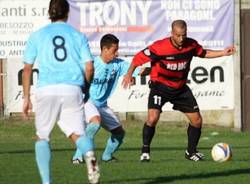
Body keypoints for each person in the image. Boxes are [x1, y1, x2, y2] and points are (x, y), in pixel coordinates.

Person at [122, 19, 236, 162]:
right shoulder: (160, 47)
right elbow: (138, 58)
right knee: (152, 118)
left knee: (197, 121)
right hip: (160, 86)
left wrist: (223, 53)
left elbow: (204, 53)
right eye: (178, 35)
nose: (181, 39)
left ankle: (191, 151)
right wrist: (128, 75)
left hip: (180, 88)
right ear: (172, 33)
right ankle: (145, 151)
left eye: (184, 35)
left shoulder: (191, 44)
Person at [22, 0, 100, 183]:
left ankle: (46, 182)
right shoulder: (77, 35)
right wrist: (85, 89)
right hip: (72, 89)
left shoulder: (37, 35)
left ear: (49, 12)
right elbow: (89, 67)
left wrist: (26, 97)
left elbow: (27, 69)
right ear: (67, 13)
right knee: (79, 135)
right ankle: (89, 155)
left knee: (42, 137)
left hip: (47, 89)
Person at [72, 34, 149, 163]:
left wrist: (158, 68)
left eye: (117, 50)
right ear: (104, 49)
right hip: (87, 101)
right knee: (95, 122)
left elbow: (140, 70)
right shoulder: (91, 64)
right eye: (115, 51)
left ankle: (107, 157)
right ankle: (78, 157)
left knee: (119, 133)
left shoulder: (118, 65)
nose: (117, 54)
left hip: (102, 105)